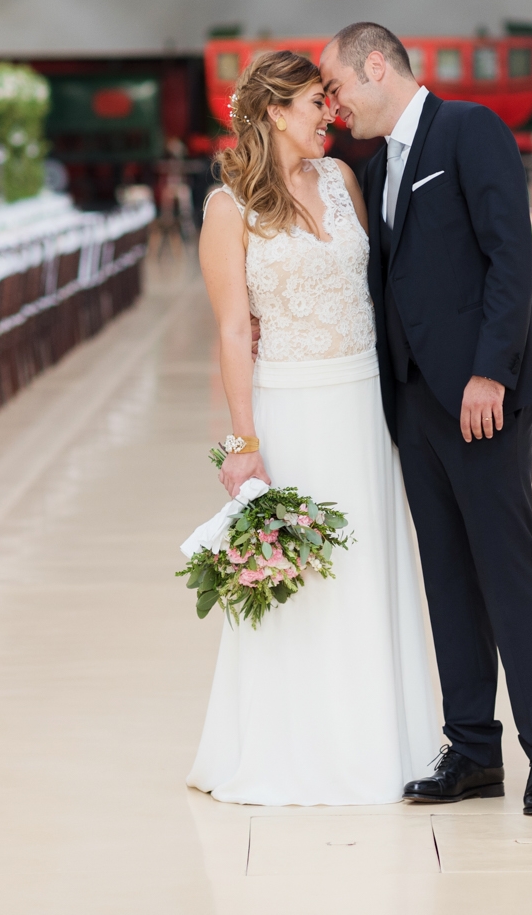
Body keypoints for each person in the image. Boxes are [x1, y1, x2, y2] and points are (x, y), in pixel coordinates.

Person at [317, 21, 532, 817]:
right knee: (448, 576)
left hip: (480, 395)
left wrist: (489, 372)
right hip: (416, 402)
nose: (332, 106)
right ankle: (471, 748)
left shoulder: (468, 128)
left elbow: (511, 258)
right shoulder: (375, 162)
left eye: (335, 87)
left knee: (505, 563)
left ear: (374, 67)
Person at [187, 50, 439, 805]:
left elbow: (376, 283)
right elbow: (234, 331)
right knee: (305, 576)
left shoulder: (343, 180)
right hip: (291, 405)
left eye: (329, 103)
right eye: (311, 104)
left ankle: (382, 741)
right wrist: (243, 444)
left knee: (368, 567)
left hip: (362, 402)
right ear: (273, 113)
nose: (328, 114)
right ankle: (292, 751)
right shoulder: (227, 208)